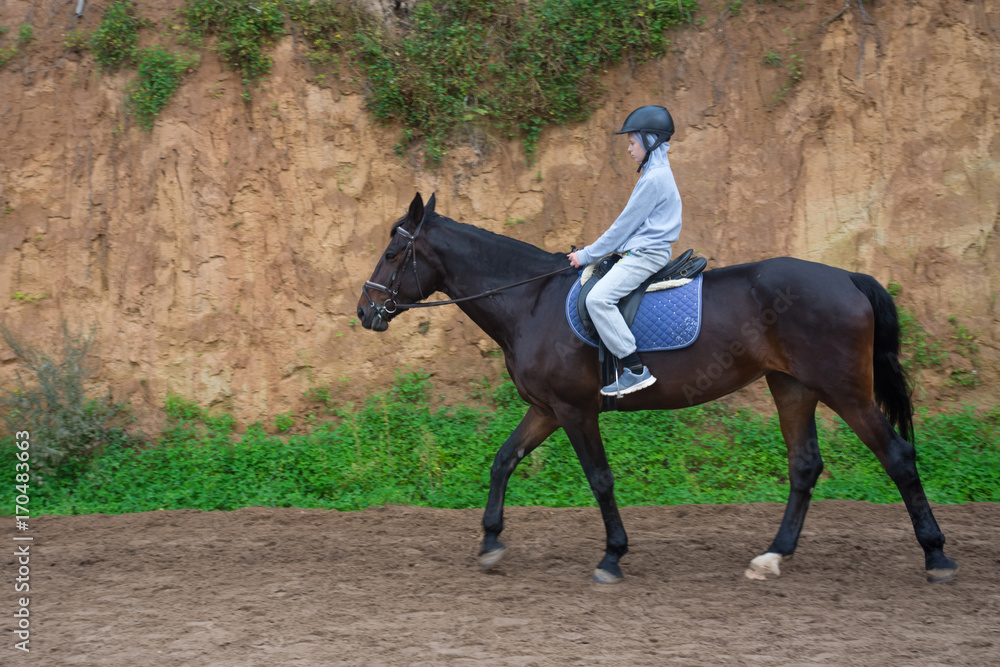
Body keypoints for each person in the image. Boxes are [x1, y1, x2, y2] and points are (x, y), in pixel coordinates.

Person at [567, 105, 682, 396]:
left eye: (632, 143)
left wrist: (586, 255)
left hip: (647, 254)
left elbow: (622, 227)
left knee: (597, 299)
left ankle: (634, 369)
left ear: (650, 140)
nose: (629, 149)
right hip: (644, 249)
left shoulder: (653, 179)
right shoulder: (655, 172)